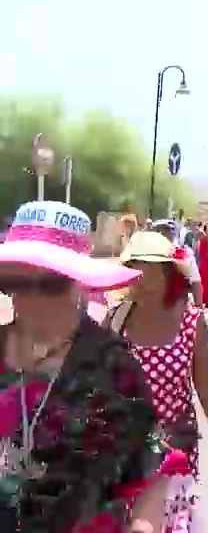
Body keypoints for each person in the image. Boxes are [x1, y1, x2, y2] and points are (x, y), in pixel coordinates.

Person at [0, 201, 171, 531]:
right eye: (16, 283)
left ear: (78, 284)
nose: (30, 298)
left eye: (49, 284)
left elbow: (150, 467)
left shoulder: (112, 366)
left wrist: (144, 524)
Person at [110, 231, 208, 533]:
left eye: (146, 268)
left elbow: (205, 384)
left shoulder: (190, 322)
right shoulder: (116, 320)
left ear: (167, 273)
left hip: (174, 448)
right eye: (133, 268)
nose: (137, 277)